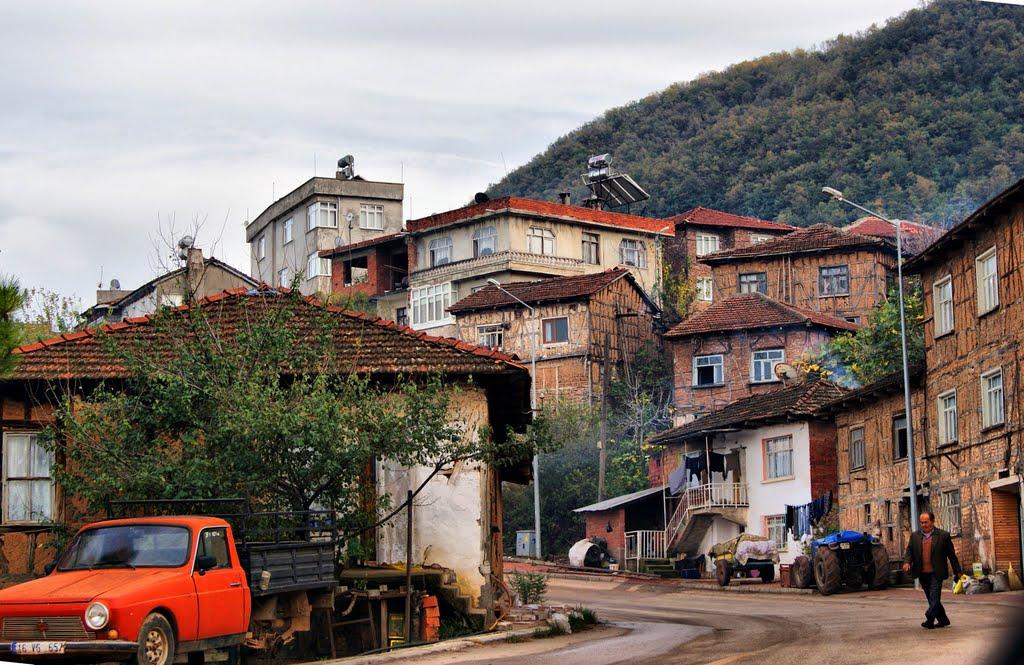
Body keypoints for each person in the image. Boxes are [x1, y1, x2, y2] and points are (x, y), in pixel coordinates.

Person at [902, 510, 962, 629]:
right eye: (922, 522)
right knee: (931, 598)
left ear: (933, 521)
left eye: (926, 522)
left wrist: (958, 571)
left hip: (937, 572)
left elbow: (952, 555)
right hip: (922, 572)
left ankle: (929, 618)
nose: (924, 525)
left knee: (934, 598)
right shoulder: (915, 536)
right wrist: (907, 562)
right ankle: (943, 620)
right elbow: (909, 551)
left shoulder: (943, 536)